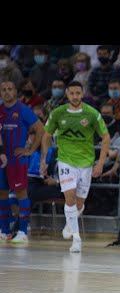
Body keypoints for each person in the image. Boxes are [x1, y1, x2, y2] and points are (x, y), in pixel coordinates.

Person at [40, 80, 111, 253]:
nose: (75, 96)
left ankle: (69, 223)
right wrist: (44, 160)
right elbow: (46, 136)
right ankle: (77, 239)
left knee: (79, 203)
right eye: (71, 93)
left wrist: (100, 163)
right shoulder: (58, 113)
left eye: (78, 93)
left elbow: (106, 137)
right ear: (67, 93)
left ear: (82, 93)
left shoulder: (91, 113)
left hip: (86, 162)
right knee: (69, 197)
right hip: (66, 160)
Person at [0, 80, 44, 243]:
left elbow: (40, 130)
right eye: (3, 89)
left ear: (15, 92)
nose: (6, 92)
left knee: (21, 193)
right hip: (1, 159)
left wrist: (30, 150)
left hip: (18, 159)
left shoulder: (24, 110)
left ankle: (23, 232)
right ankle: (4, 231)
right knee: (1, 194)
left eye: (10, 89)